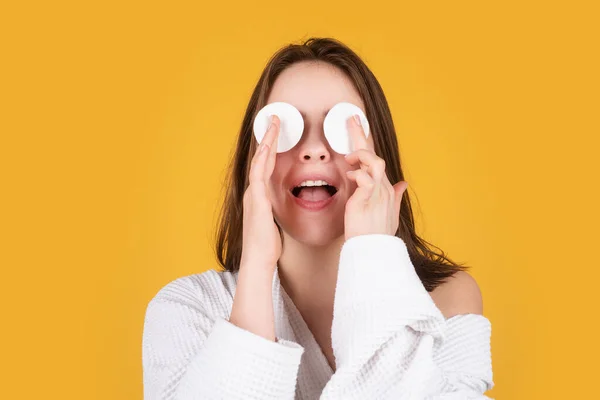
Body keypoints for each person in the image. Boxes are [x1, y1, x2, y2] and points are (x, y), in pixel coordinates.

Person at [142, 37, 494, 399]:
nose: (313, 150)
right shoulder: (188, 308)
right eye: (283, 129)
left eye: (342, 128)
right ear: (254, 160)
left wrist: (373, 252)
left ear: (379, 156)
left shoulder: (444, 299)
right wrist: (256, 268)